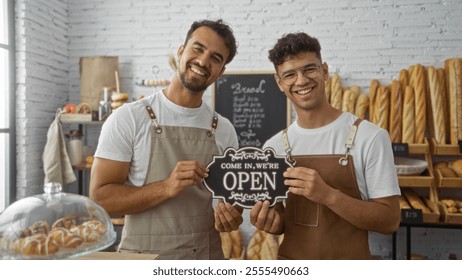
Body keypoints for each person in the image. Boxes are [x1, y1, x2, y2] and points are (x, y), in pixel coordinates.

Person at [89, 19, 243, 260]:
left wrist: (231, 216)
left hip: (205, 259)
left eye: (216, 58)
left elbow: (230, 202)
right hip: (141, 260)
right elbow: (100, 200)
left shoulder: (223, 129)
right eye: (198, 48)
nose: (203, 61)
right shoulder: (129, 118)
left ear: (221, 72)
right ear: (180, 51)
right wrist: (167, 186)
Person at [250, 32, 401, 259]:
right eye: (290, 74)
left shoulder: (370, 137)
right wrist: (270, 222)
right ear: (279, 83)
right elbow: (282, 221)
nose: (301, 80)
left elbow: (390, 221)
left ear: (325, 71)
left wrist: (328, 195)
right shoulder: (273, 148)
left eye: (309, 69)